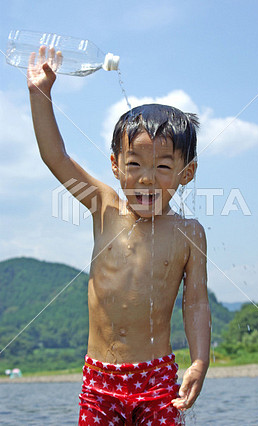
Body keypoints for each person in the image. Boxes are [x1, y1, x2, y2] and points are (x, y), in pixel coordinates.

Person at [27, 46, 211, 425]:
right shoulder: (105, 206)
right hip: (99, 380)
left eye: (163, 166)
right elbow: (56, 157)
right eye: (134, 164)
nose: (146, 178)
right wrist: (40, 95)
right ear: (115, 165)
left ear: (186, 173)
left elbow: (194, 303)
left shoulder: (189, 233)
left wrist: (199, 360)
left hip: (157, 379)